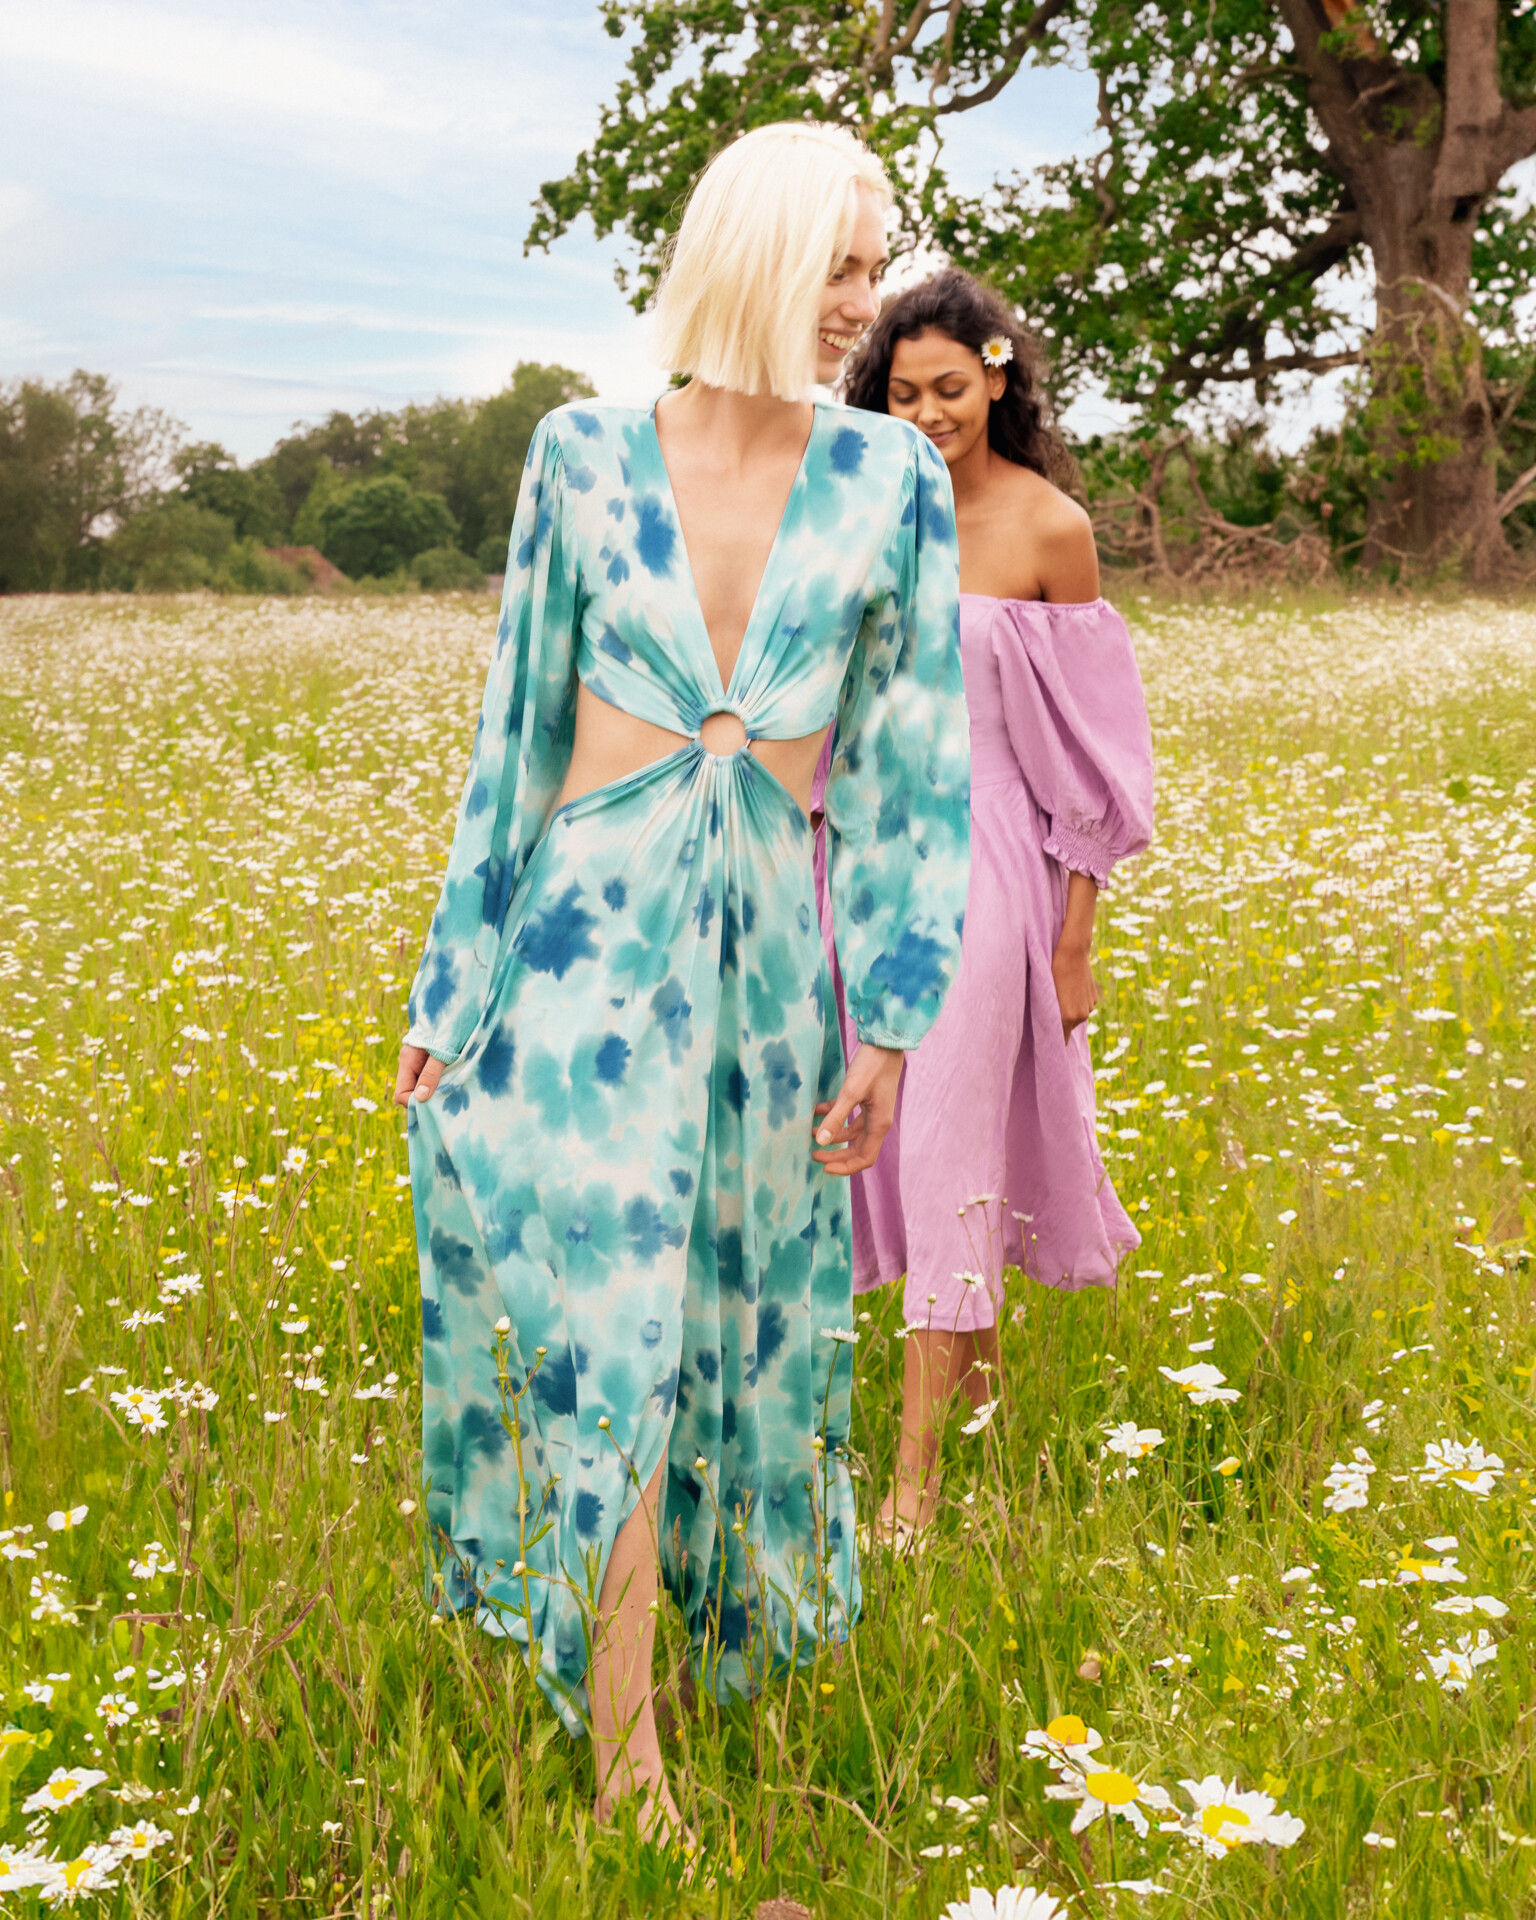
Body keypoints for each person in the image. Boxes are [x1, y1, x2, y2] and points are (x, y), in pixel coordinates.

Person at [393, 126, 970, 1846]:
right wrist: (449, 991)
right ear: (755, 256)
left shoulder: (892, 479)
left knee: (732, 1324)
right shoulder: (579, 453)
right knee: (618, 1329)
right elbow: (513, 742)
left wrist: (889, 1024)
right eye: (839, 267)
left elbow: (910, 769)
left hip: (766, 977)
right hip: (580, 955)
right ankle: (623, 1751)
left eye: (873, 268)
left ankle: (689, 1666)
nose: (862, 303)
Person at [825, 268, 1154, 1548]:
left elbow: (1092, 758)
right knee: (901, 1150)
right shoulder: (857, 513)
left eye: (950, 388)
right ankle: (988, 1440)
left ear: (998, 379)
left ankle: (912, 1496)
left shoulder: (1047, 528)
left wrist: (1076, 937)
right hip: (859, 864)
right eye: (903, 394)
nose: (927, 415)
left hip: (990, 866)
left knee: (952, 1150)